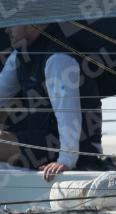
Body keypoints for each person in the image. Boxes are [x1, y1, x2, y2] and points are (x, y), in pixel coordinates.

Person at [0, 24, 104, 180]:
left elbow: (68, 114)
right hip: (43, 140)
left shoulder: (58, 59)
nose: (6, 30)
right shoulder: (19, 56)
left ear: (33, 26)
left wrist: (66, 160)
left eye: (13, 24)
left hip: (76, 148)